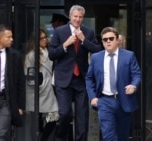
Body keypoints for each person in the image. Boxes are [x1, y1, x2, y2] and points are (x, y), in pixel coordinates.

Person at [48, 4, 102, 141]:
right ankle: (61, 138)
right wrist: (65, 45)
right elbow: (52, 54)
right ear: (70, 17)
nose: (78, 19)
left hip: (82, 79)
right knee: (65, 113)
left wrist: (84, 40)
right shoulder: (60, 31)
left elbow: (97, 50)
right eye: (75, 16)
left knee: (82, 116)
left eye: (80, 17)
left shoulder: (88, 32)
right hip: (64, 78)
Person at [85, 27, 141, 141]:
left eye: (111, 38)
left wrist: (133, 85)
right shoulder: (96, 57)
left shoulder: (129, 56)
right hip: (105, 101)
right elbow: (89, 78)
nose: (108, 41)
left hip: (123, 100)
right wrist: (92, 97)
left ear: (117, 40)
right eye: (105, 39)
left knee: (122, 135)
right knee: (108, 136)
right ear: (102, 42)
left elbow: (136, 74)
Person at [24, 29, 59, 141]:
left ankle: (43, 139)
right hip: (37, 91)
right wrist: (38, 85)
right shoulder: (32, 55)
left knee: (54, 116)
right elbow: (29, 74)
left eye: (45, 37)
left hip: (48, 90)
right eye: (41, 38)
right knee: (37, 121)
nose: (45, 40)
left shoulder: (48, 52)